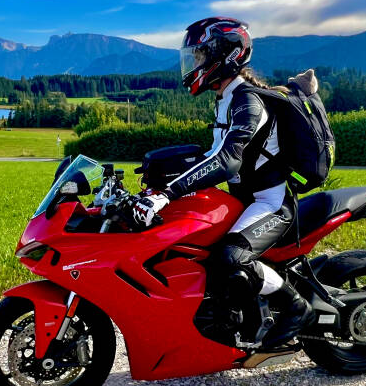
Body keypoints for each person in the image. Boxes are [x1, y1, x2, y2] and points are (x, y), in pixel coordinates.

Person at [130, 17, 314, 346]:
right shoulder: (227, 97)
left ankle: (295, 306)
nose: (194, 64)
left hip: (269, 202)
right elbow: (210, 155)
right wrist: (159, 180)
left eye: (199, 56)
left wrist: (169, 192)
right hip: (241, 199)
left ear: (224, 55)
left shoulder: (248, 101)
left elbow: (227, 160)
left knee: (230, 258)